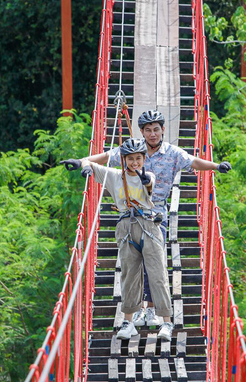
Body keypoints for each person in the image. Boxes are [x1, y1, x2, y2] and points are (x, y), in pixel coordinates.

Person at [61, 110, 232, 328]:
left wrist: (216, 166)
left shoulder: (173, 153)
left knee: (155, 263)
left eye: (156, 129)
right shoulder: (136, 151)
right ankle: (140, 309)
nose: (153, 134)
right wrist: (81, 161)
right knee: (134, 265)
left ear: (162, 130)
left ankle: (151, 309)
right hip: (131, 214)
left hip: (156, 214)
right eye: (148, 130)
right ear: (142, 132)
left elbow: (194, 162)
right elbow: (107, 157)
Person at [75, 138, 176, 341]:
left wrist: (146, 182)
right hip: (125, 227)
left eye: (138, 158)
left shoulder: (148, 175)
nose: (135, 163)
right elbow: (88, 161)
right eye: (130, 159)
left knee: (157, 274)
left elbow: (149, 184)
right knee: (129, 276)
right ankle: (128, 322)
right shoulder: (113, 176)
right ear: (123, 160)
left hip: (148, 226)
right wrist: (81, 166)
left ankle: (166, 322)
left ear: (144, 158)